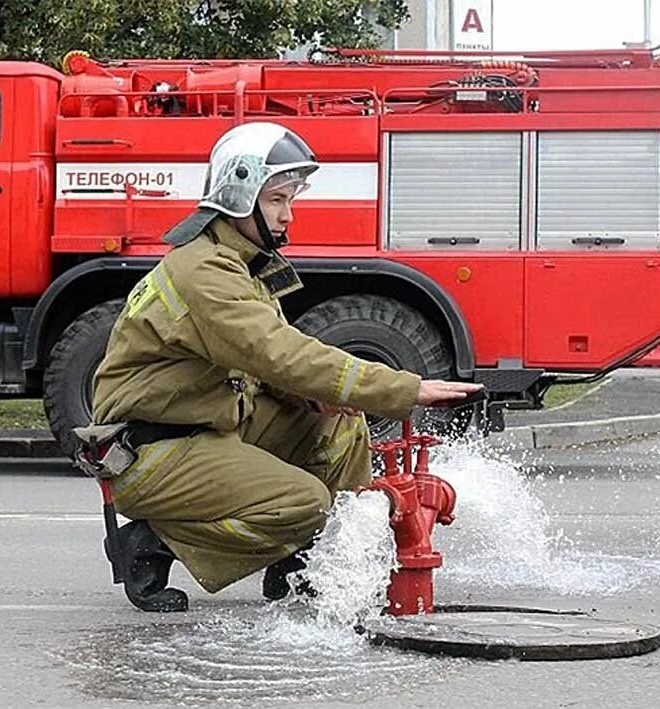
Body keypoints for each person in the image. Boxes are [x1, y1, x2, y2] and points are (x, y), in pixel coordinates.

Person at [91, 122, 481, 612]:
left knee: (340, 423)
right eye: (276, 200)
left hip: (201, 425)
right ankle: (154, 542)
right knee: (305, 502)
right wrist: (402, 388)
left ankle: (306, 564)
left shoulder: (234, 263)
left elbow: (262, 365)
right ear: (239, 195)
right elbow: (278, 351)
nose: (287, 215)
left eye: (290, 200)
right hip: (152, 450)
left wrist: (316, 397)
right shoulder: (204, 271)